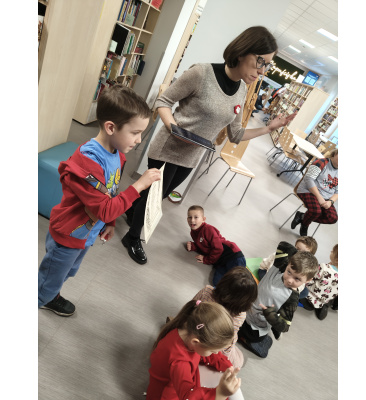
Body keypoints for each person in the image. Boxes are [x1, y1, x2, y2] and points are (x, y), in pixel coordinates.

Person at [121, 26, 297, 265]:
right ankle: (132, 237)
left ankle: (130, 210)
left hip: (192, 155)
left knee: (159, 194)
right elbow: (164, 100)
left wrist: (268, 128)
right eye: (260, 61)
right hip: (169, 147)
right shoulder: (202, 73)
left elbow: (235, 134)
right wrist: (174, 128)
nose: (262, 71)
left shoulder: (242, 90)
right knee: (155, 195)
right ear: (242, 52)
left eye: (267, 65)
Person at [38, 85, 162, 316]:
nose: (138, 140)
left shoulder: (117, 155)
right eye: (135, 133)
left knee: (66, 273)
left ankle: (51, 295)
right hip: (67, 236)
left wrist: (110, 223)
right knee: (44, 286)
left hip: (85, 234)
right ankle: (45, 296)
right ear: (111, 127)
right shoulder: (89, 162)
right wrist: (138, 186)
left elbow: (109, 194)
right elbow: (104, 208)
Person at [146, 300, 242, 400]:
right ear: (195, 342)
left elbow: (208, 353)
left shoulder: (188, 332)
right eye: (213, 351)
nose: (217, 353)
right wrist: (220, 393)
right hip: (167, 394)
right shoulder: (180, 362)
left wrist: (228, 366)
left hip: (179, 383)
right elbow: (187, 396)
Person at [238, 249, 318, 358]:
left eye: (297, 279)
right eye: (289, 272)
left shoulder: (292, 298)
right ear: (288, 264)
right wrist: (297, 255)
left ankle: (246, 340)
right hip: (244, 308)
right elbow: (284, 245)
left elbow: (285, 327)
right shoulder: (279, 267)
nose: (289, 280)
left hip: (254, 325)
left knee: (245, 334)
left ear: (308, 280)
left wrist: (272, 316)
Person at [192, 267, 258, 370]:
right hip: (214, 347)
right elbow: (226, 344)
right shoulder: (239, 316)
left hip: (193, 330)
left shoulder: (206, 291)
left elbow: (190, 307)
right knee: (238, 361)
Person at [185, 205, 246, 286]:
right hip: (220, 262)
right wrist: (194, 246)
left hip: (232, 256)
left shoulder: (208, 229)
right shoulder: (193, 232)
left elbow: (218, 248)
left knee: (237, 281)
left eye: (196, 217)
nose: (192, 220)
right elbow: (204, 247)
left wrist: (207, 260)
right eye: (190, 217)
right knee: (217, 283)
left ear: (203, 219)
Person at [291, 148, 338, 236]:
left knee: (332, 218)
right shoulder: (321, 162)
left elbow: (338, 192)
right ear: (335, 154)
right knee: (316, 211)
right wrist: (319, 197)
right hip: (308, 190)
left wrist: (331, 202)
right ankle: (305, 225)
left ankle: (302, 217)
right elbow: (309, 179)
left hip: (326, 197)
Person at [301, 244, 338, 320]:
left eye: (332, 251)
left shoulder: (324, 267)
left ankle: (308, 304)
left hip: (309, 297)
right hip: (322, 301)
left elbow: (311, 279)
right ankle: (323, 306)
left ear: (337, 260)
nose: (331, 251)